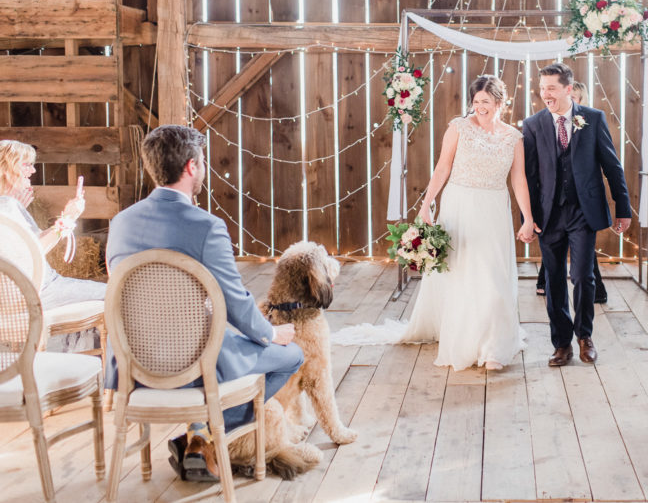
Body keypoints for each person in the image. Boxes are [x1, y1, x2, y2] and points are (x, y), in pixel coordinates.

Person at [106, 125, 302, 482]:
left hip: (133, 364)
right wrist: (270, 332)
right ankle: (203, 436)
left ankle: (198, 438)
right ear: (191, 167)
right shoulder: (207, 227)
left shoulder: (120, 223)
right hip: (196, 362)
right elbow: (238, 305)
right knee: (291, 356)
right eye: (204, 161)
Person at [333, 75, 532, 372]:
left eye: (486, 102)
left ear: (501, 104)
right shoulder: (458, 128)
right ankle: (465, 341)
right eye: (476, 101)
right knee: (463, 273)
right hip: (460, 205)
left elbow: (518, 178)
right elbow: (442, 167)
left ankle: (494, 345)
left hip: (493, 209)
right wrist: (426, 205)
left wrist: (528, 218)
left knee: (493, 275)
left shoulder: (513, 137)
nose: (480, 107)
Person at [521, 63, 631, 367]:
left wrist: (623, 208)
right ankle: (561, 344)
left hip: (584, 211)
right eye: (542, 88)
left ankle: (585, 336)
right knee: (554, 280)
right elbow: (529, 176)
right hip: (548, 214)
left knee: (583, 276)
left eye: (552, 88)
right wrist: (528, 219)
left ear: (568, 89)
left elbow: (612, 166)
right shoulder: (532, 124)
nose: (545, 94)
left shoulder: (593, 119)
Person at [0, 139, 106, 310]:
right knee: (112, 293)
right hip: (41, 290)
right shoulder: (6, 206)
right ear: (7, 170)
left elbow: (28, 246)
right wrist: (67, 219)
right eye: (26, 165)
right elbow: (32, 252)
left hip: (37, 287)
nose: (33, 170)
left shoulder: (9, 204)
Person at [535, 80, 608, 305]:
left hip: (581, 204)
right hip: (554, 205)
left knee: (584, 264)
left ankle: (595, 293)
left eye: (576, 98)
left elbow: (607, 163)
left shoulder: (589, 120)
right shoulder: (542, 123)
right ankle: (544, 283)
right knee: (553, 258)